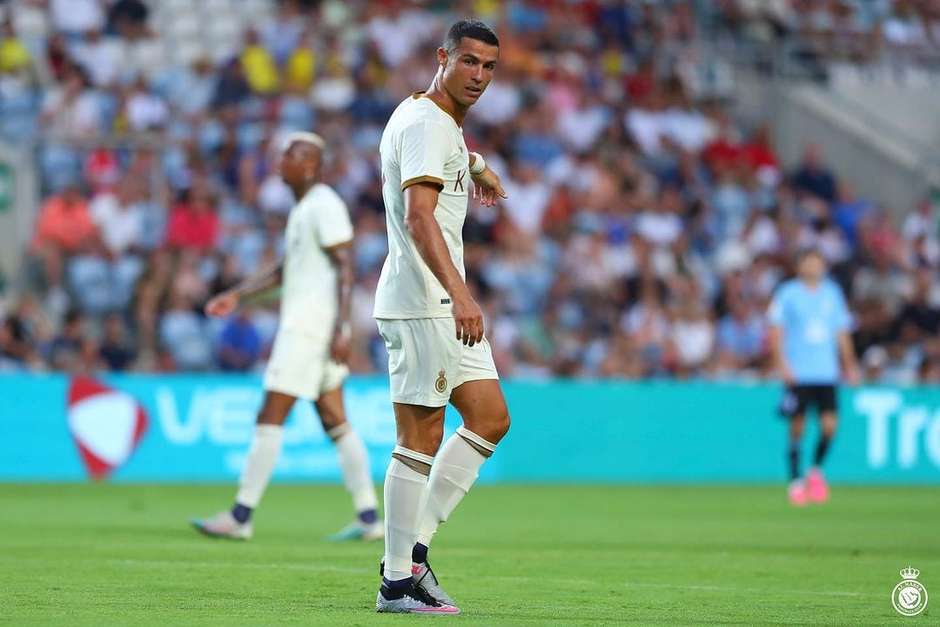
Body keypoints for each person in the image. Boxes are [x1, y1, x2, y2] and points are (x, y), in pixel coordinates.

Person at [373, 19, 510, 614]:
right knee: (420, 436)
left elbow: (444, 150)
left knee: (489, 418)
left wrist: (476, 164)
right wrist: (460, 293)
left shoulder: (434, 122)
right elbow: (419, 217)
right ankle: (396, 581)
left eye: (488, 67)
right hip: (425, 300)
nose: (478, 76)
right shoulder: (429, 124)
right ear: (443, 58)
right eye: (469, 63)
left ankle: (415, 551)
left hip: (440, 301)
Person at [191, 132, 381, 541]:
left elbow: (346, 267)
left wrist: (340, 329)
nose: (280, 161)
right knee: (336, 421)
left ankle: (240, 516)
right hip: (316, 328)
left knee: (269, 415)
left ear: (311, 164)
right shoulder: (304, 210)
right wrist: (238, 296)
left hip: (310, 329)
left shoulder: (324, 205)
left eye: (290, 155)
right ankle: (369, 518)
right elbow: (285, 271)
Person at [768, 249, 859, 507]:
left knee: (830, 425)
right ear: (800, 266)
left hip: (826, 372)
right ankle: (795, 480)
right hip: (799, 372)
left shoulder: (832, 293)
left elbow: (841, 332)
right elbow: (776, 331)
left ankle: (815, 470)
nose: (814, 267)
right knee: (798, 426)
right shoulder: (787, 293)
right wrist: (782, 365)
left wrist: (849, 364)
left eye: (818, 263)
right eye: (809, 262)